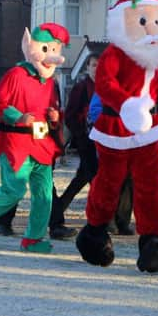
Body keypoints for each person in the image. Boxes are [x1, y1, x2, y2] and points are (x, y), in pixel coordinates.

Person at [75, 0, 158, 273]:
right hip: (116, 127)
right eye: (143, 20)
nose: (150, 28)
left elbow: (154, 91)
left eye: (157, 21)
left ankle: (151, 240)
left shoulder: (152, 59)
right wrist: (126, 105)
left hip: (147, 131)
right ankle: (94, 232)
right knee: (109, 182)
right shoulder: (114, 53)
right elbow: (105, 86)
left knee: (149, 185)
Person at [0, 23, 68, 253]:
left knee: (44, 195)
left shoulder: (51, 82)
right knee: (14, 190)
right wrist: (18, 117)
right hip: (16, 143)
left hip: (42, 144)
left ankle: (33, 239)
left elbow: (54, 109)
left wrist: (55, 118)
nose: (52, 57)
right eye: (47, 49)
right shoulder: (17, 74)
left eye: (56, 50)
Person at [87, 91, 134, 235]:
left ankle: (123, 221)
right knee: (111, 182)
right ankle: (108, 219)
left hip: (131, 141)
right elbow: (95, 113)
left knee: (129, 182)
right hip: (110, 141)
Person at [58, 54, 99, 214]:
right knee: (94, 177)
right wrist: (81, 135)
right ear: (87, 67)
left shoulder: (106, 86)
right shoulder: (81, 87)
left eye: (100, 65)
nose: (97, 69)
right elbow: (70, 115)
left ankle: (58, 209)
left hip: (101, 140)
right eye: (94, 65)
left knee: (82, 177)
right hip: (86, 140)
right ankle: (104, 218)